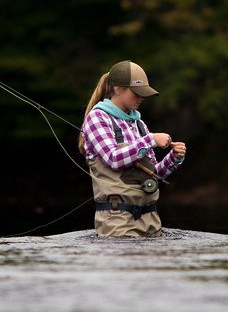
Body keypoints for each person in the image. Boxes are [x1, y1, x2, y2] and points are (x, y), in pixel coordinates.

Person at [79, 60, 186, 237]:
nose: (141, 98)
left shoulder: (139, 124)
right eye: (136, 92)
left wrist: (173, 158)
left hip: (151, 220)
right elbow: (113, 159)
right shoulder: (97, 118)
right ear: (118, 89)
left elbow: (154, 175)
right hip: (117, 222)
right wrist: (150, 140)